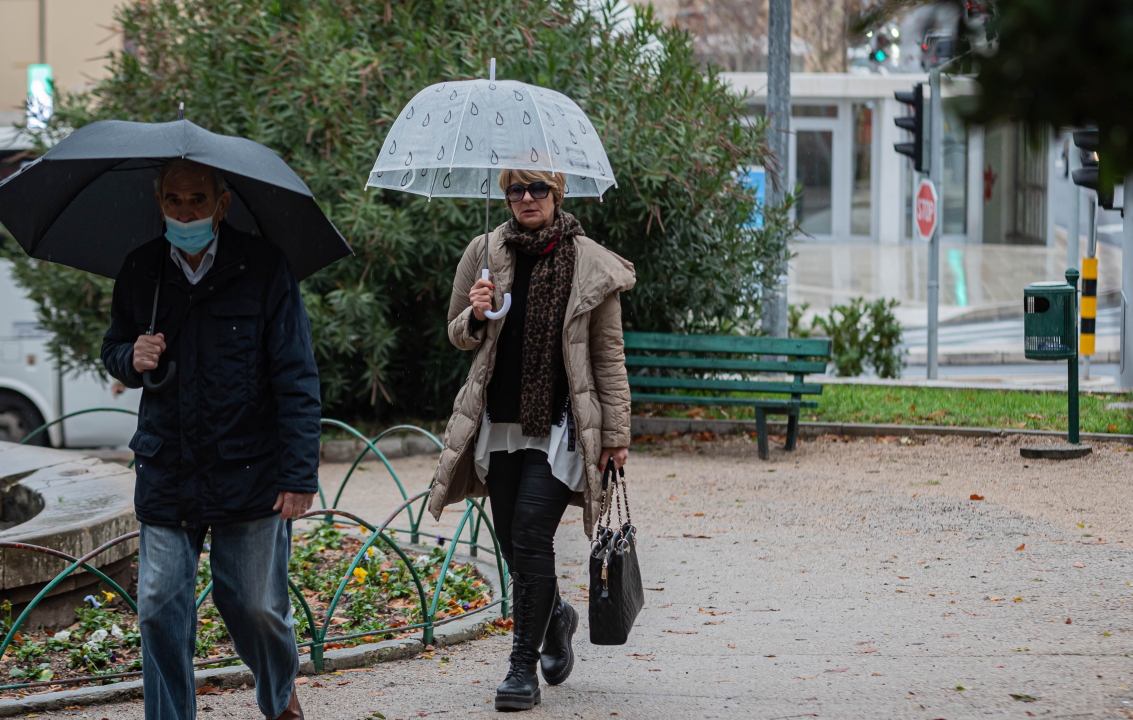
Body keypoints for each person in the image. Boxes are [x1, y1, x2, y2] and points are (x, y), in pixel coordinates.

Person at [101, 159, 320, 720]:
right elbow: (114, 349)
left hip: (247, 467)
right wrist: (131, 356)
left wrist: (299, 476)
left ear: (222, 204)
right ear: (160, 204)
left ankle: (278, 695)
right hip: (167, 467)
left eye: (197, 199)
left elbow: (296, 377)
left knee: (254, 605)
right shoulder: (140, 269)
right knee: (157, 605)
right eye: (173, 200)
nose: (185, 211)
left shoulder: (265, 268)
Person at [430, 168, 635, 711]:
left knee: (529, 533)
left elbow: (608, 356)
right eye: (515, 190)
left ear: (557, 193)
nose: (526, 199)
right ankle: (556, 616)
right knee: (510, 541)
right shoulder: (484, 251)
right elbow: (455, 332)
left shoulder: (590, 262)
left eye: (537, 189)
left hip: (561, 427)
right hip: (499, 422)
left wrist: (616, 435)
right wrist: (475, 313)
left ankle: (521, 669)